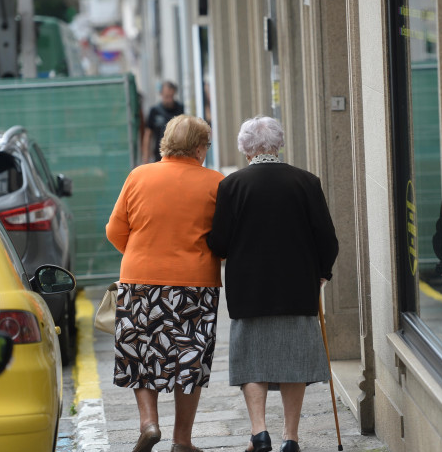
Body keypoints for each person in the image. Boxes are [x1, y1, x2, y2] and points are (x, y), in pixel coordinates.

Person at [206, 116, 339, 452]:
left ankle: (259, 432)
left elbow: (219, 243)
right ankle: (290, 437)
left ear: (246, 148)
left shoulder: (231, 186)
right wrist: (322, 271)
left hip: (249, 289)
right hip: (297, 287)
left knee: (252, 360)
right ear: (278, 143)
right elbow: (327, 237)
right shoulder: (306, 182)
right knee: (294, 361)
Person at [106, 115, 224, 452]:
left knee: (141, 352)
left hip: (140, 279)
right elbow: (225, 237)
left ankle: (149, 423)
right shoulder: (215, 182)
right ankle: (182, 441)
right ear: (200, 147)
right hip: (195, 284)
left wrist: (144, 253)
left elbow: (115, 230)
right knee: (190, 358)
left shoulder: (138, 176)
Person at [142, 81, 184, 164]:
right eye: (167, 96)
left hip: (178, 156)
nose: (170, 100)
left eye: (171, 96)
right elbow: (148, 135)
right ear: (161, 94)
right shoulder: (154, 111)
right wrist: (146, 157)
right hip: (159, 156)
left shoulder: (180, 109)